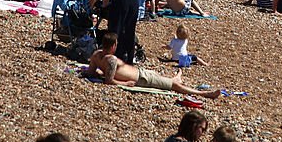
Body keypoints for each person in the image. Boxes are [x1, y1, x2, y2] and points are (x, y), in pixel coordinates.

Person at [87, 32, 221, 98]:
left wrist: (101, 73)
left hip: (141, 73)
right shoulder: (111, 59)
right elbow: (109, 82)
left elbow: (91, 72)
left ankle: (176, 78)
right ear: (114, 45)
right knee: (174, 86)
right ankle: (204, 93)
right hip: (141, 79)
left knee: (162, 78)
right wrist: (124, 84)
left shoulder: (96, 55)